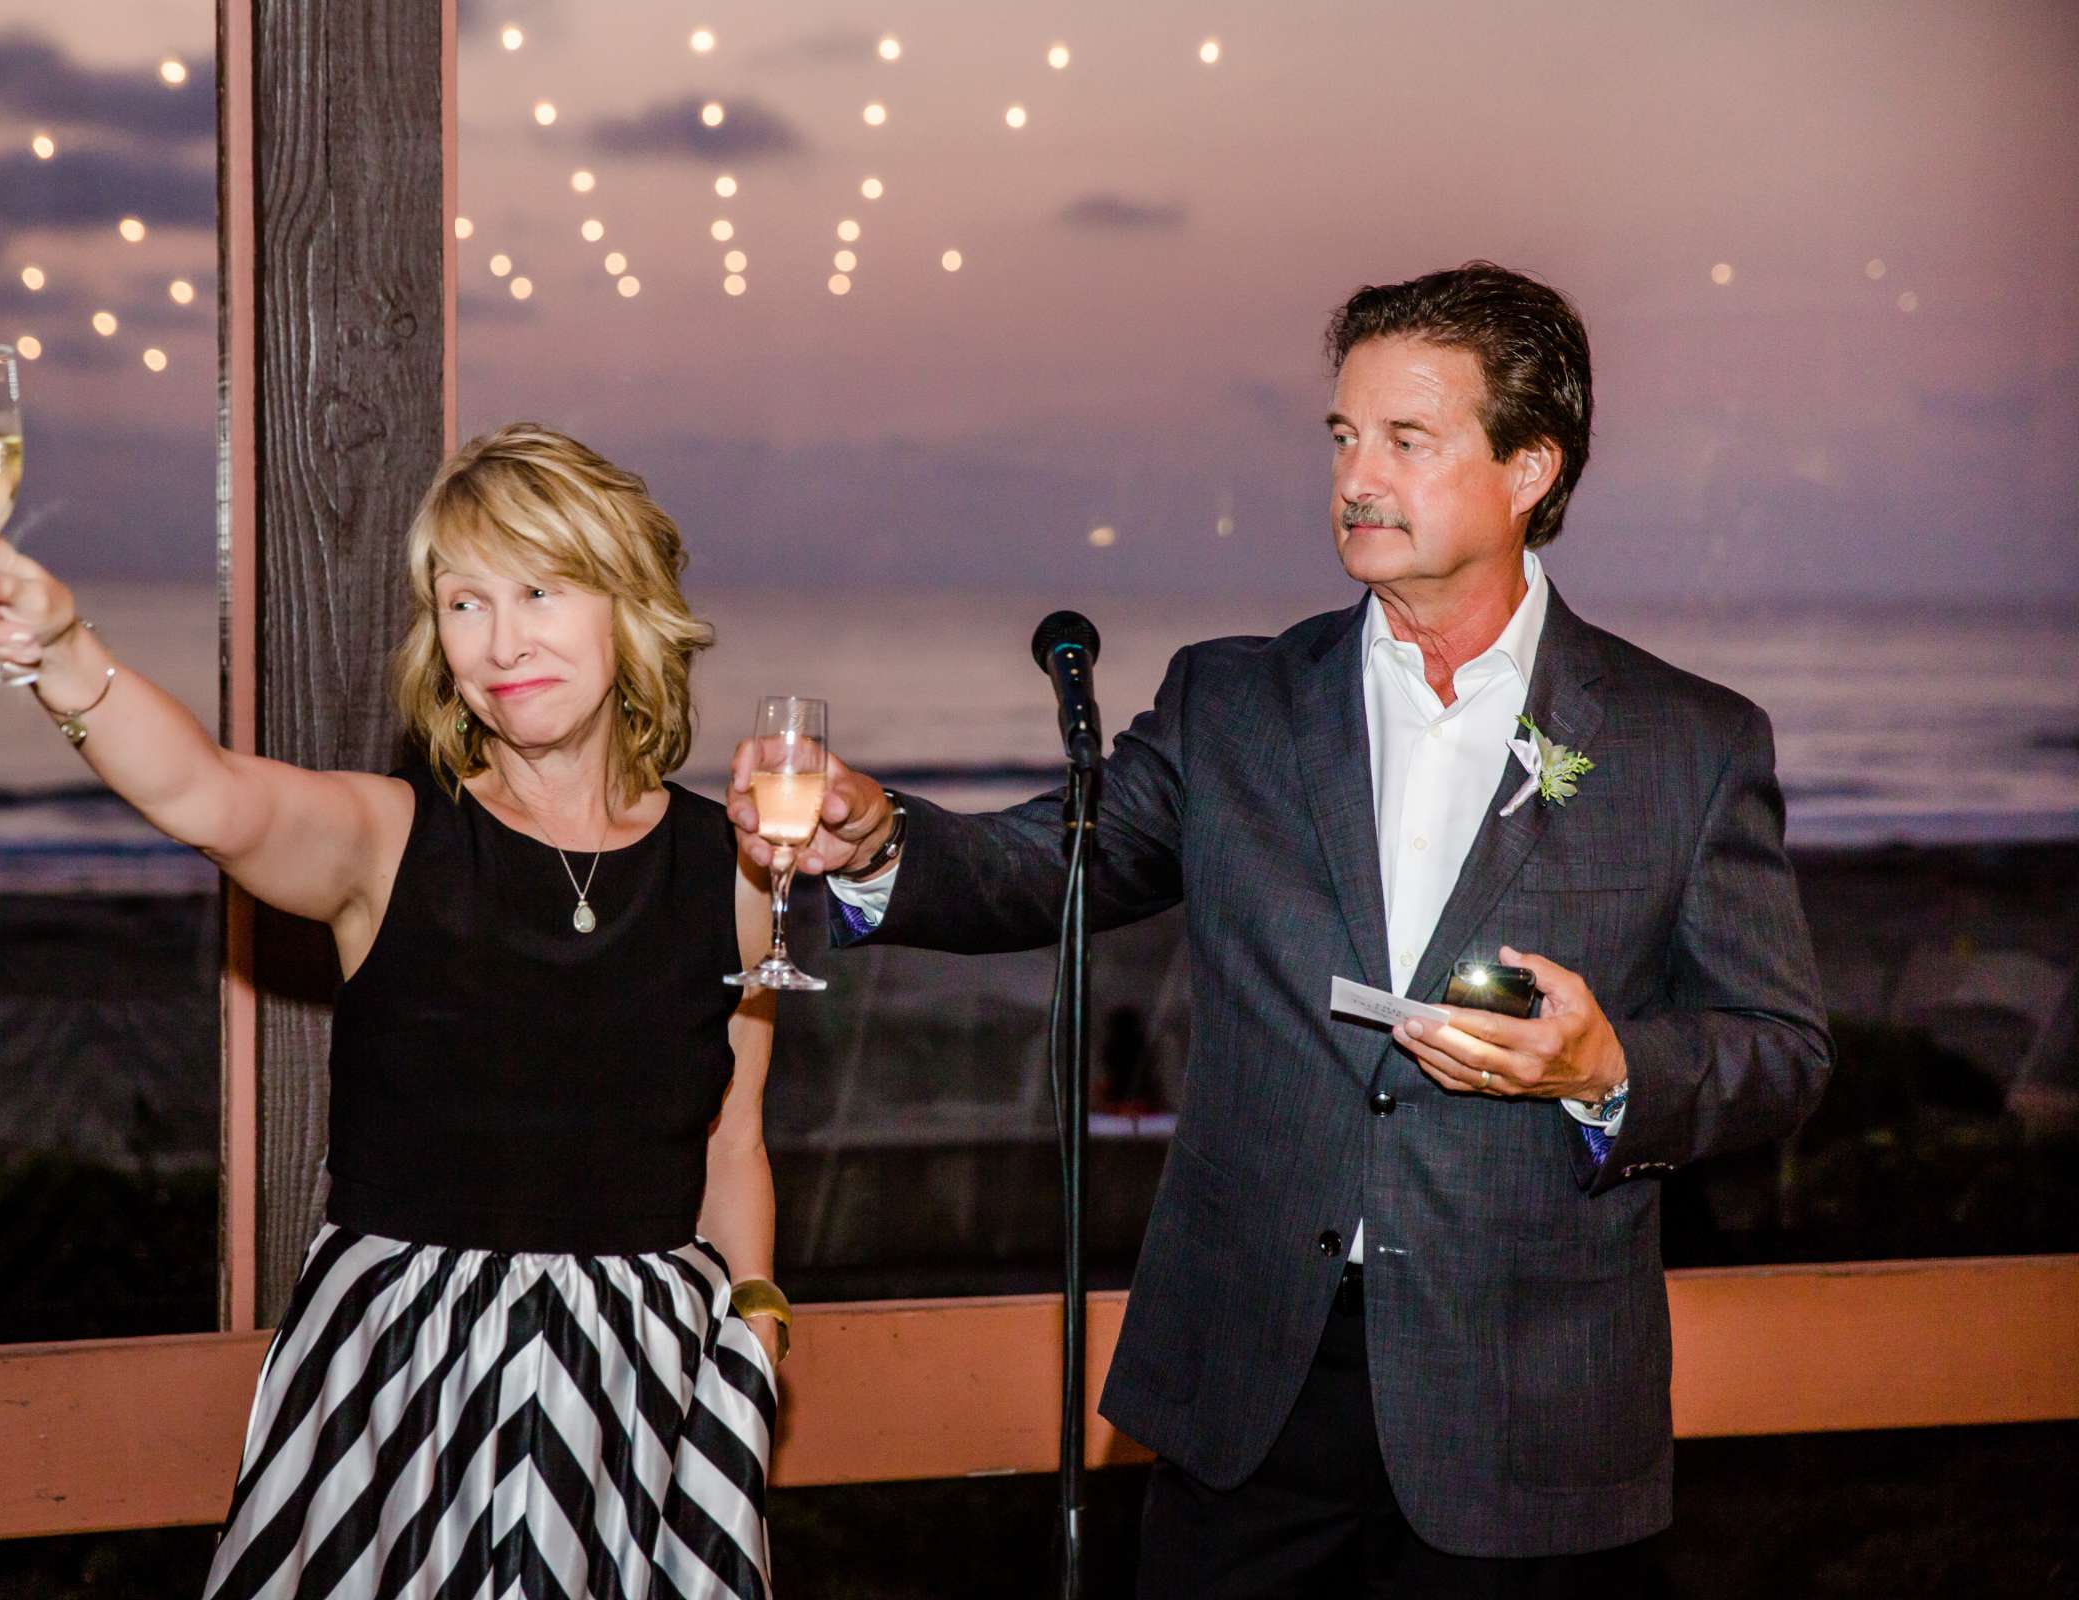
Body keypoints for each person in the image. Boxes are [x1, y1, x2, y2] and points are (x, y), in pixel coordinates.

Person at [729, 263, 1832, 1596]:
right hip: (1253, 1394)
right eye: (1342, 436)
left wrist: (1607, 1071)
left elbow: (1779, 1051)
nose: (1355, 476)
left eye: (1406, 440)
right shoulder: (1236, 704)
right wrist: (881, 837)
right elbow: (1046, 867)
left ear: (1530, 468)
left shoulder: (1688, 744)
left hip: (1524, 1407)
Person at [0, 423, 783, 1600]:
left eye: (539, 589)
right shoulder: (388, 839)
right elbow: (208, 797)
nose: (501, 639)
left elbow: (732, 1141)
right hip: (399, 1380)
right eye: (464, 602)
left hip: (648, 1384)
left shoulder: (733, 869)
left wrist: (757, 1330)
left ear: (627, 605)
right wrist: (62, 649)